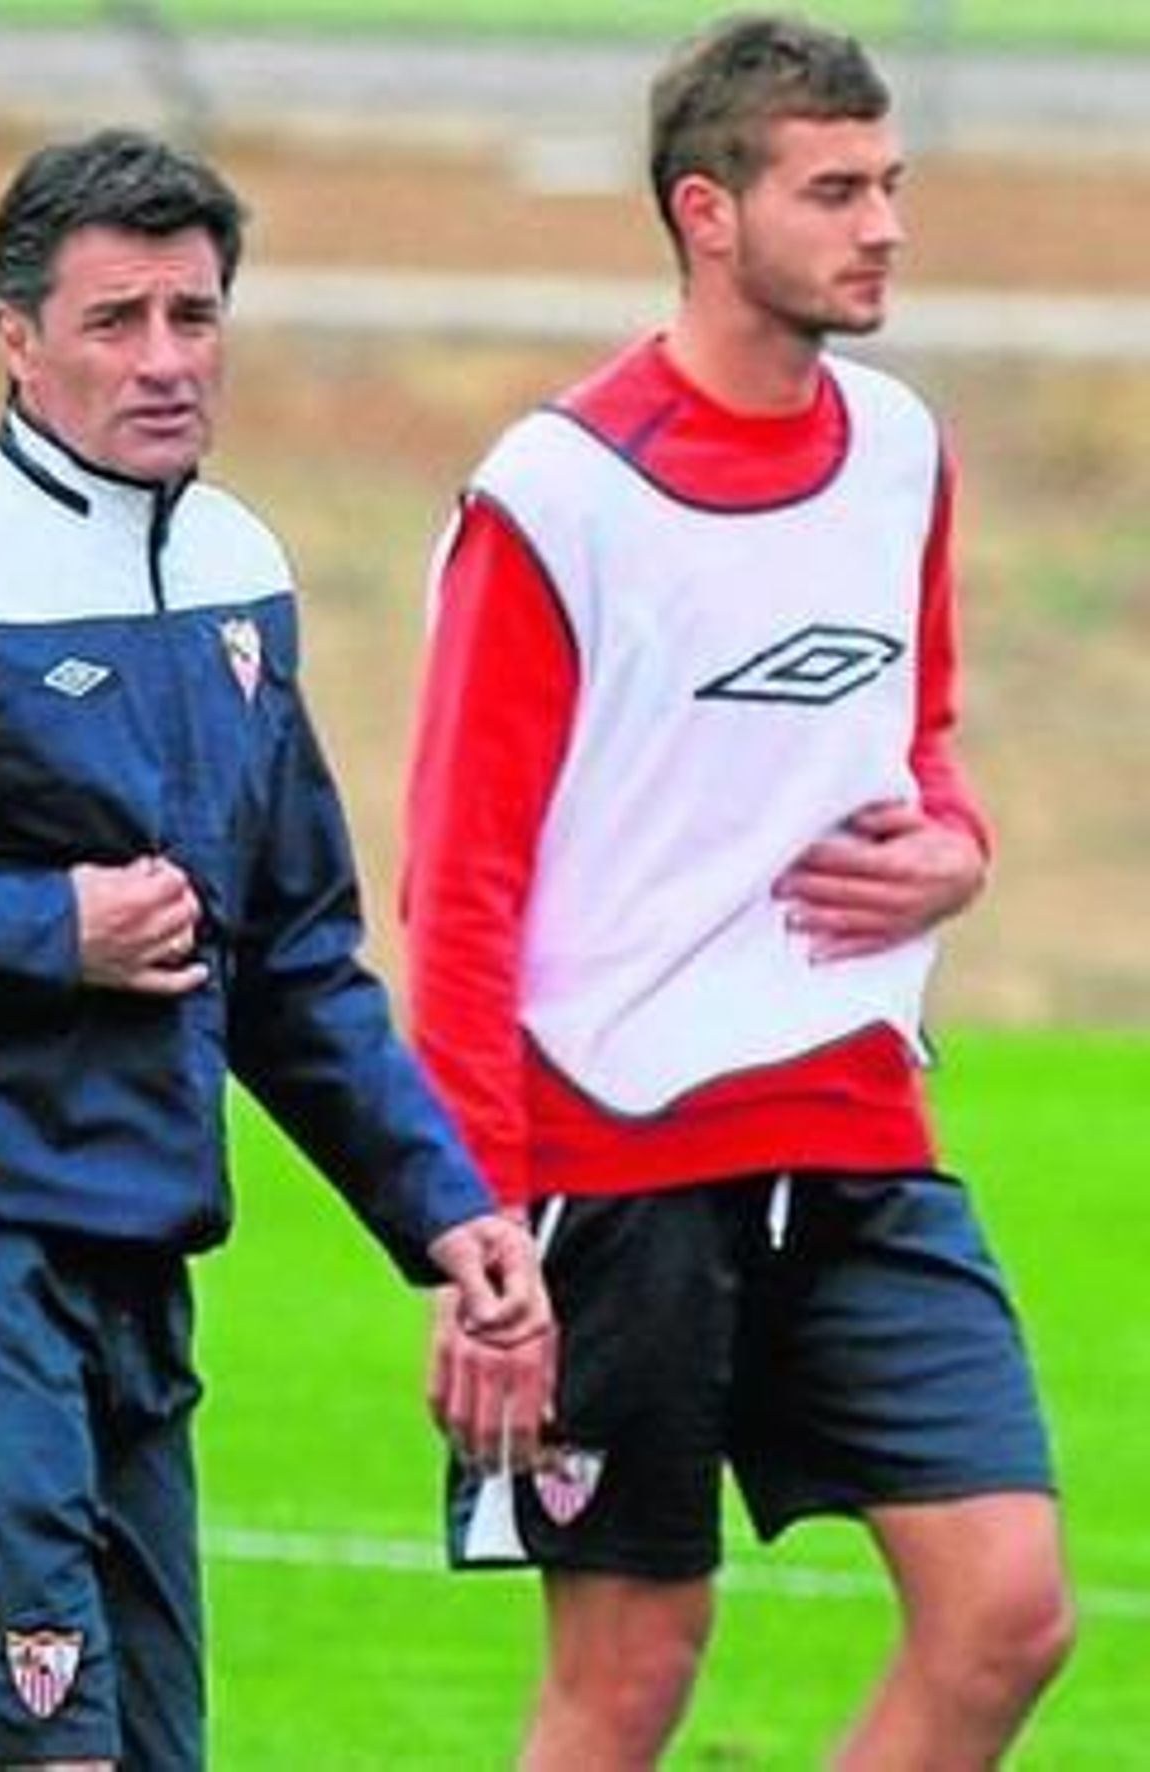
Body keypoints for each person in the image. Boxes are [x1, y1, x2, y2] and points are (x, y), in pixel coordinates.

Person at [0, 129, 552, 1771]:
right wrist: (39, 932)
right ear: (16, 336)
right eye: (115, 319)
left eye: (193, 317)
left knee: (134, 1753)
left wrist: (443, 1206)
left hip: (134, 1262)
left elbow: (288, 959)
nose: (162, 361)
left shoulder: (238, 575)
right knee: (34, 1748)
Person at [403, 15, 1074, 1768]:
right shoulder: (556, 496)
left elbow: (914, 736)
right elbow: (457, 893)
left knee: (1008, 1612)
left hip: (858, 1135)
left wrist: (960, 846)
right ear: (711, 211)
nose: (885, 228)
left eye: (893, 185)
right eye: (836, 190)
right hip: (615, 1169)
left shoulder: (905, 447)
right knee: (631, 1677)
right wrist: (474, 1240)